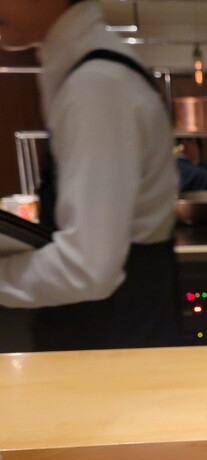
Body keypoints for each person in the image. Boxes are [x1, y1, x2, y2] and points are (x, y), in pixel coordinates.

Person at [0, 0, 181, 351]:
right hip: (122, 321)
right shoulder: (89, 70)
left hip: (116, 333)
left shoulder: (97, 84)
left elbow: (85, 269)